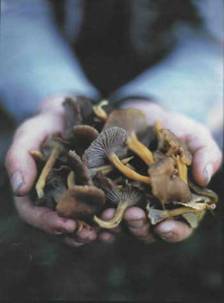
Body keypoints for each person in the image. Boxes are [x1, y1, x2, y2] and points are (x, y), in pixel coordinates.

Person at [1, 0, 223, 247]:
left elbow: (218, 39)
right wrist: (52, 95)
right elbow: (11, 12)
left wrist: (165, 102)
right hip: (58, 59)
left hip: (182, 74)